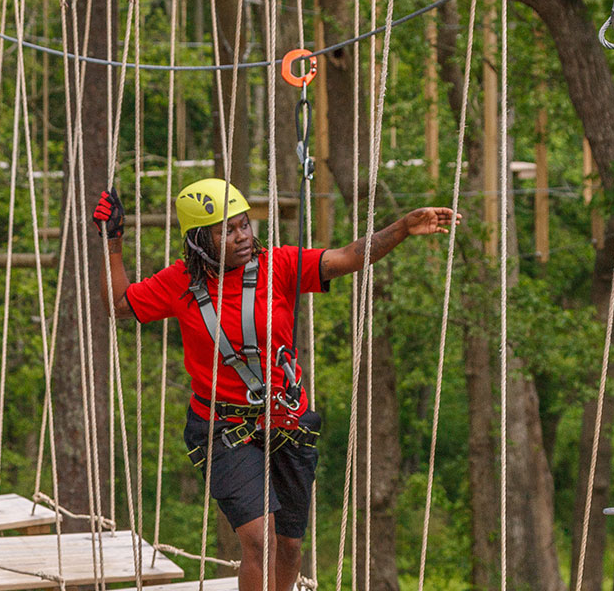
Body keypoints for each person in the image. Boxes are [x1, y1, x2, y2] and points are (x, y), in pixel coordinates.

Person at [92, 178, 460, 591]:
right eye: (227, 231)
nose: (242, 236)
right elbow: (121, 305)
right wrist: (113, 243)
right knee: (258, 541)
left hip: (287, 421)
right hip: (224, 429)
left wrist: (402, 228)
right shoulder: (181, 283)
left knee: (288, 548)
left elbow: (347, 257)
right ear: (199, 241)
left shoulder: (278, 264)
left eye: (245, 225)